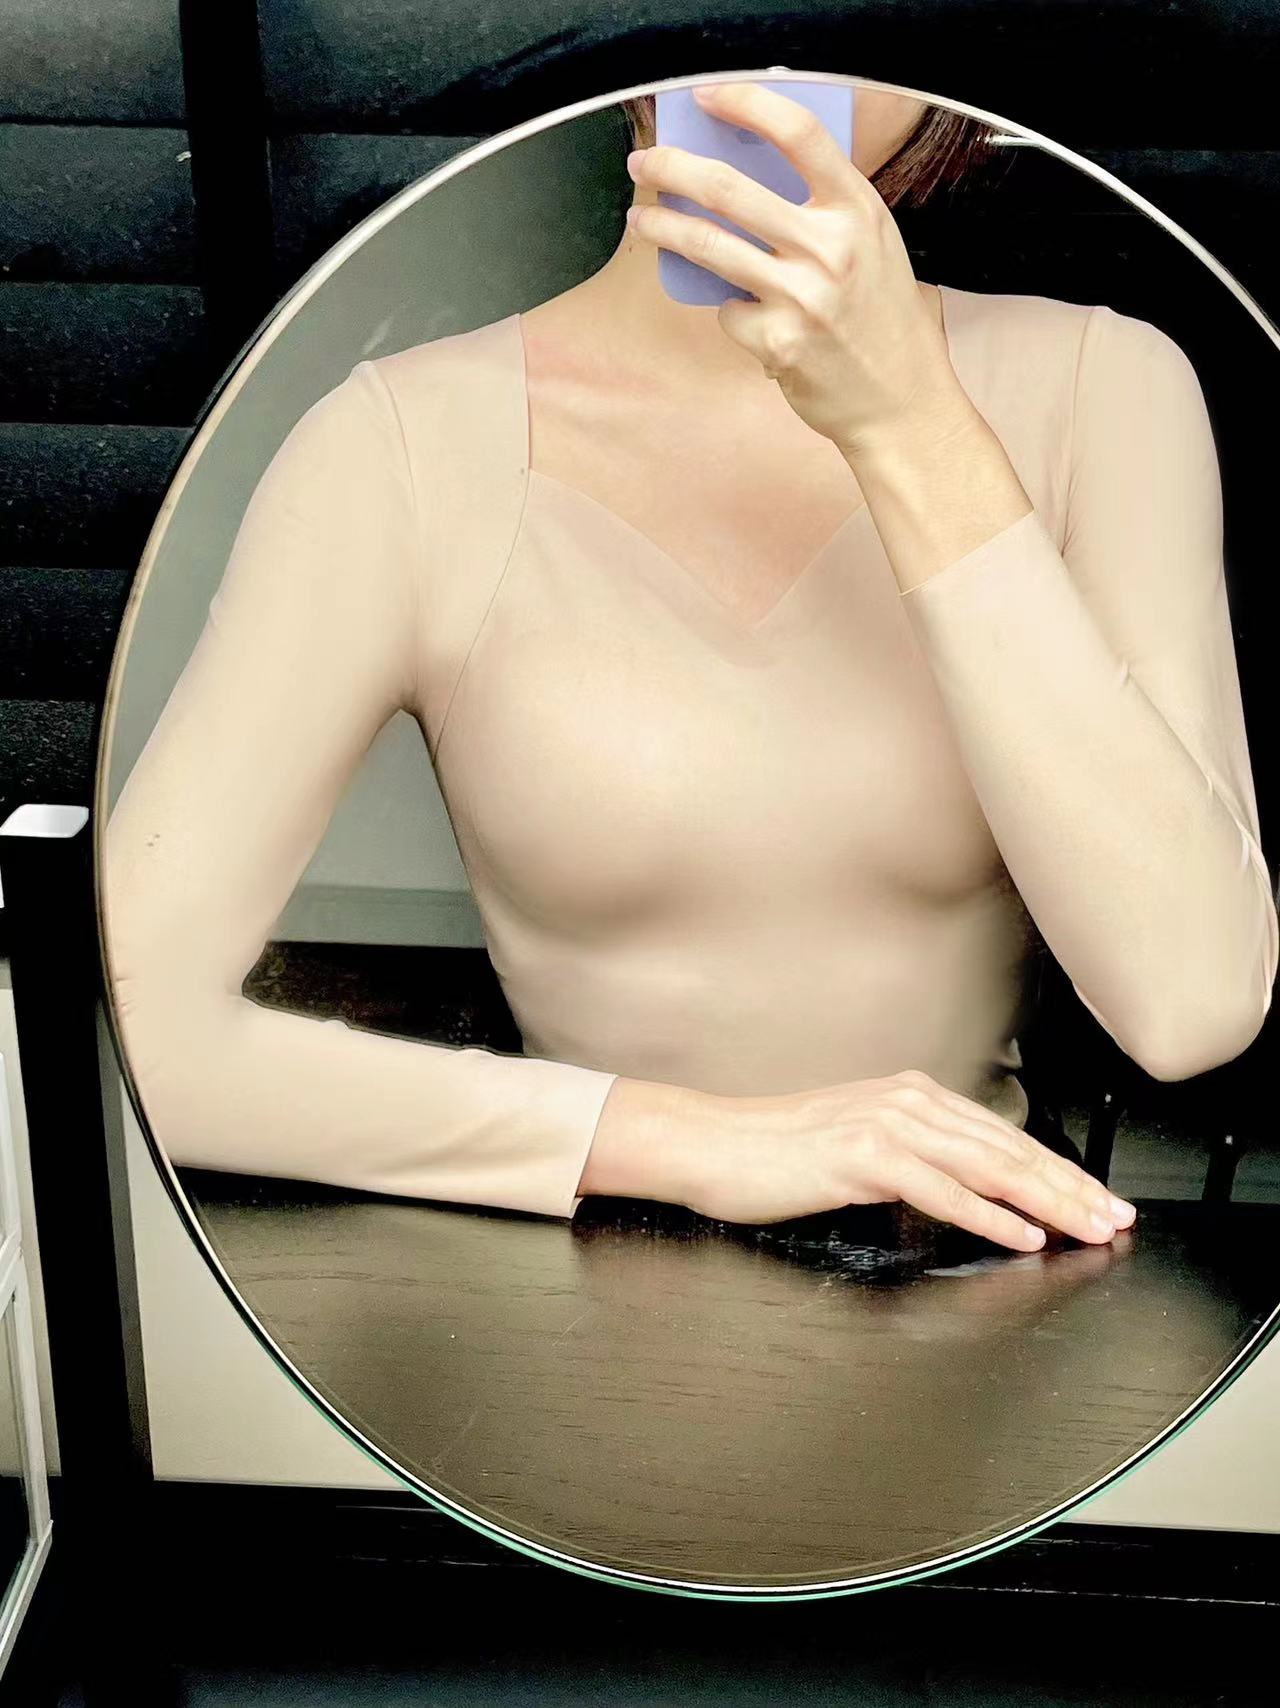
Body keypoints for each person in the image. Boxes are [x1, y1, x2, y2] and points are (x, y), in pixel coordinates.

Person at [102, 82, 1276, 1254]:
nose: (772, 54)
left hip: (995, 1285)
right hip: (582, 1294)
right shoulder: (400, 448)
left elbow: (1192, 1003)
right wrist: (692, 1140)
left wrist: (909, 424)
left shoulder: (1100, 385)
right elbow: (132, 1016)